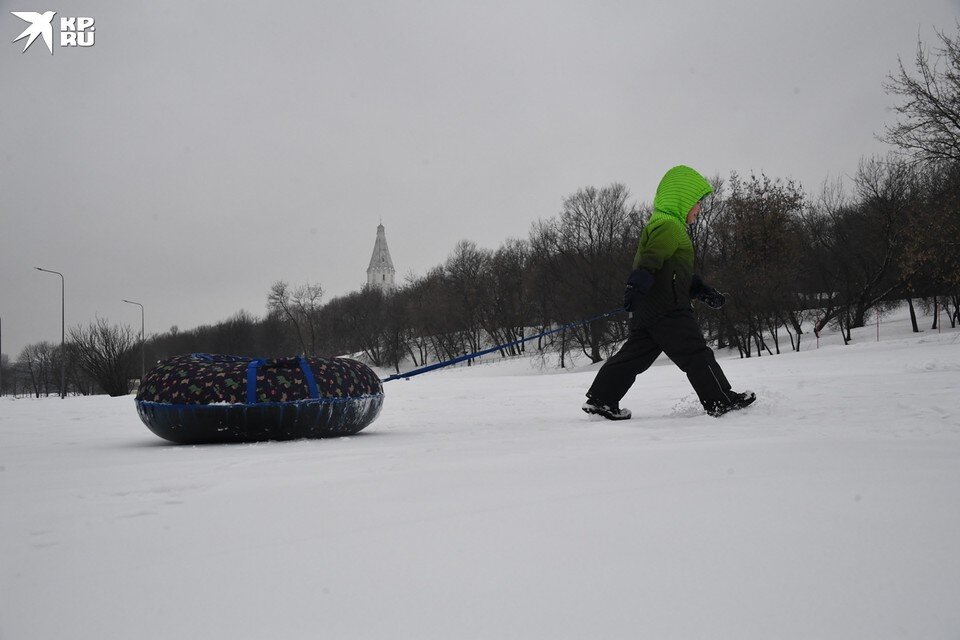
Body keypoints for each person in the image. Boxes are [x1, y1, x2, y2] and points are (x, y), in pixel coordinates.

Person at [582, 165, 755, 420]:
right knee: (696, 353)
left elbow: (671, 271)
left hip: (651, 309)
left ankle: (602, 400)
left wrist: (699, 289)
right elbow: (651, 260)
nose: (699, 209)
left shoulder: (666, 224)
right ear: (683, 201)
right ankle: (719, 400)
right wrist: (635, 286)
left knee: (634, 357)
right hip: (667, 309)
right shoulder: (669, 226)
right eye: (697, 202)